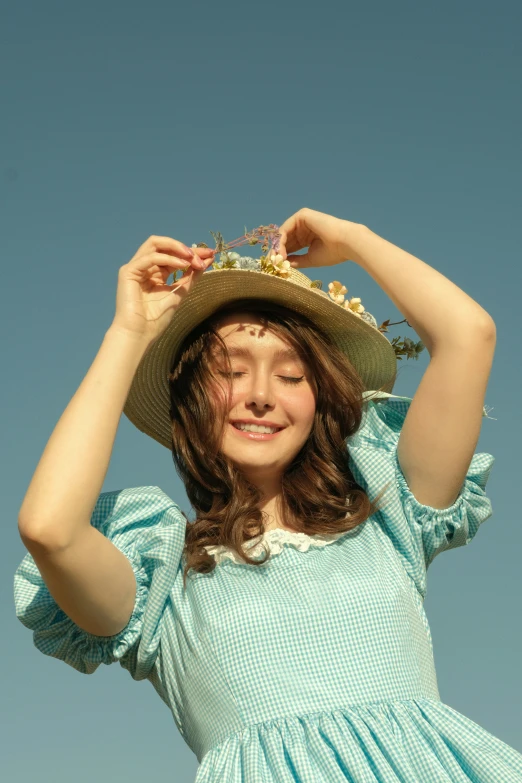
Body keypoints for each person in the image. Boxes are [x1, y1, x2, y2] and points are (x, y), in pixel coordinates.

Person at [14, 209, 522, 782]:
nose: (260, 396)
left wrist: (354, 240)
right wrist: (129, 333)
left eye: (291, 376)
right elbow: (49, 529)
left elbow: (468, 336)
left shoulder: (389, 516)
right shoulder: (163, 583)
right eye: (230, 371)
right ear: (190, 402)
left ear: (321, 400)